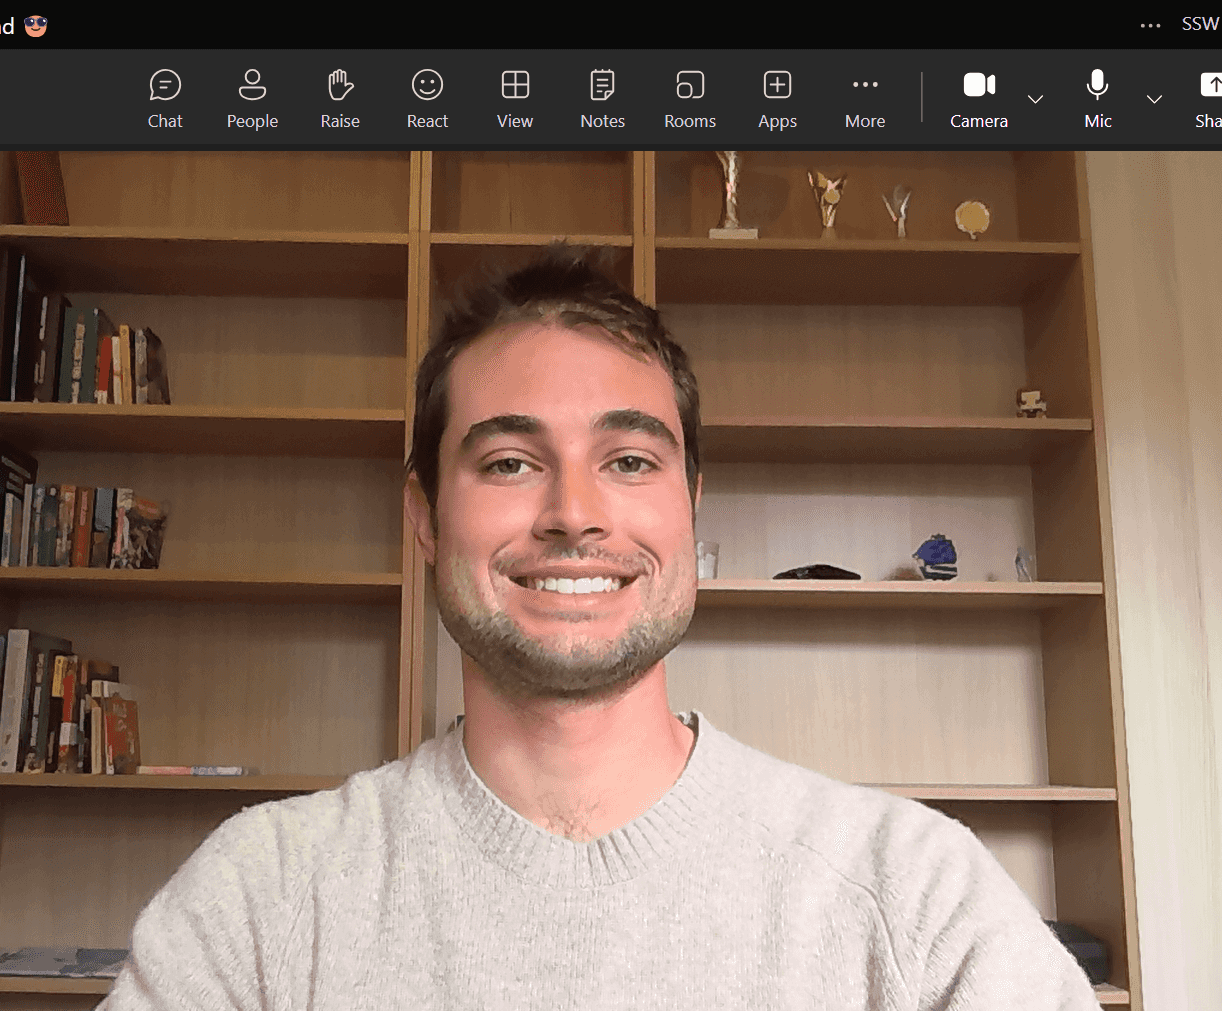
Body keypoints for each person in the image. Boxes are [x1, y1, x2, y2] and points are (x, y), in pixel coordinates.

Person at [101, 246, 1102, 1009]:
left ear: (689, 507)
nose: (573, 515)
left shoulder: (915, 890)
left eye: (628, 461)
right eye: (508, 462)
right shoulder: (258, 898)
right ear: (423, 517)